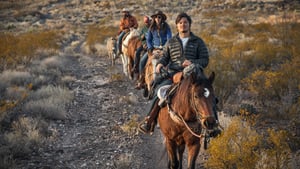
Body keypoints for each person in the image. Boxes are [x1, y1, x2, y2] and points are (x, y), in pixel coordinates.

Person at [139, 12, 219, 134]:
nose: (183, 25)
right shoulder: (171, 42)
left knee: (208, 95)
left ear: (189, 25)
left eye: (185, 22)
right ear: (177, 25)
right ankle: (149, 121)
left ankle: (214, 126)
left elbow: (205, 60)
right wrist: (160, 63)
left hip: (194, 75)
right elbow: (165, 57)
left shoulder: (198, 42)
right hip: (174, 74)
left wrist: (192, 62)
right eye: (180, 23)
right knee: (159, 92)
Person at [135, 10, 172, 89]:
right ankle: (141, 80)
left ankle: (172, 78)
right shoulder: (152, 28)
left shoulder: (166, 27)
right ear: (154, 19)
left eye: (159, 17)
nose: (157, 19)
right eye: (156, 17)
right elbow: (148, 39)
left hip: (165, 49)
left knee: (173, 61)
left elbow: (169, 38)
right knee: (142, 61)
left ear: (162, 18)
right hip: (154, 49)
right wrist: (150, 47)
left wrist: (166, 48)